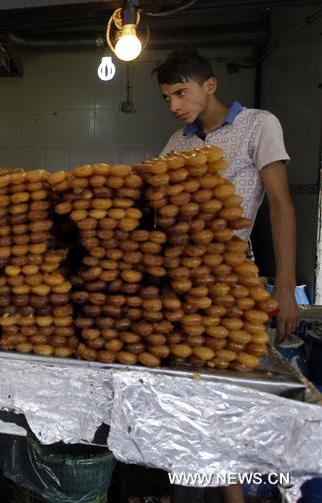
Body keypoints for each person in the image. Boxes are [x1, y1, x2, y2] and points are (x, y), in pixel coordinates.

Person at [155, 50, 298, 503]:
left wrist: (287, 290)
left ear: (210, 85)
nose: (176, 105)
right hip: (181, 281)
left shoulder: (258, 125)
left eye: (182, 92)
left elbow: (280, 206)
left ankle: (233, 495)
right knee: (186, 404)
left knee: (223, 401)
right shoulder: (178, 144)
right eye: (167, 97)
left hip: (230, 277)